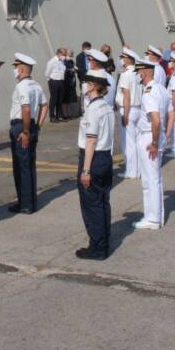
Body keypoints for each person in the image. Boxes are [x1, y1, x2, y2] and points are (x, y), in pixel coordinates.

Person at [75, 69, 115, 260]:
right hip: (106, 156)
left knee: (92, 205)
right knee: (102, 202)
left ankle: (97, 248)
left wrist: (86, 170)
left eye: (85, 82)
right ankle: (104, 241)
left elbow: (91, 140)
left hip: (93, 158)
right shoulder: (107, 106)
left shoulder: (93, 109)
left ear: (91, 86)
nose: (83, 86)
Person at [8, 53, 47, 214]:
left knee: (21, 166)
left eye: (16, 67)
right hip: (30, 126)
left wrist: (25, 131)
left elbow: (26, 109)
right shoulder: (36, 85)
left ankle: (25, 204)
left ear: (22, 69)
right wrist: (37, 126)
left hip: (21, 127)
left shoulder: (22, 86)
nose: (15, 70)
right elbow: (45, 106)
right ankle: (30, 202)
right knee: (29, 165)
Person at [132, 57, 168, 229]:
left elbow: (155, 120)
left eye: (139, 71)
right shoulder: (161, 89)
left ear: (145, 72)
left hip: (149, 137)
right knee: (154, 178)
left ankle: (153, 218)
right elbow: (169, 114)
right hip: (155, 135)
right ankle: (154, 216)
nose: (138, 75)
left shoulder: (149, 92)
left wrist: (154, 142)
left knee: (150, 180)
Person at [116, 48, 141, 179]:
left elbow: (126, 96)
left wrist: (125, 114)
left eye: (123, 57)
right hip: (138, 109)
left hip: (128, 109)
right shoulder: (138, 72)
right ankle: (138, 169)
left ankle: (131, 171)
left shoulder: (126, 75)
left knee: (129, 143)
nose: (121, 59)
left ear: (128, 59)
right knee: (137, 141)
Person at [44, 48, 67, 122]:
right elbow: (47, 73)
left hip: (61, 81)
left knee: (60, 99)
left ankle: (59, 116)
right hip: (53, 81)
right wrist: (50, 80)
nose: (65, 56)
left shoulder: (62, 61)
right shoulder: (52, 61)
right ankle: (52, 116)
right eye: (64, 54)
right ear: (59, 53)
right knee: (54, 98)